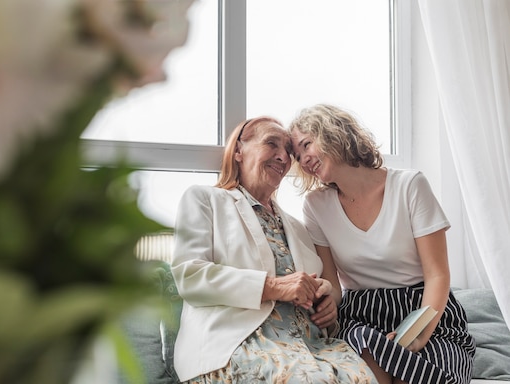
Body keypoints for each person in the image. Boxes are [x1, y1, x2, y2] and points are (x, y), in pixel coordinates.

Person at [170, 116, 379, 383]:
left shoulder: (297, 226)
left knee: (363, 377)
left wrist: (326, 300)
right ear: (238, 151)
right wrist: (273, 286)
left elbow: (322, 284)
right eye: (271, 144)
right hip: (238, 346)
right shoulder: (205, 200)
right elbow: (189, 276)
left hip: (311, 349)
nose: (283, 157)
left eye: (289, 151)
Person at [288, 103, 476, 384]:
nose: (303, 159)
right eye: (297, 155)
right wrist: (327, 300)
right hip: (363, 315)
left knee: (421, 375)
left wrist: (418, 335)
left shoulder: (410, 186)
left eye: (306, 145)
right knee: (370, 367)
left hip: (424, 310)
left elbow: (437, 275)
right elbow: (335, 287)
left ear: (332, 132)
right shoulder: (316, 206)